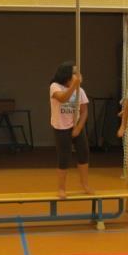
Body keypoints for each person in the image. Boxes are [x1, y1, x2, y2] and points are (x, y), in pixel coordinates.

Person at [49, 61, 93, 199]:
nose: (78, 75)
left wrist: (79, 127)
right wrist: (74, 86)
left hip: (76, 126)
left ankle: (85, 184)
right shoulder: (55, 86)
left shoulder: (81, 91)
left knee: (84, 153)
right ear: (66, 75)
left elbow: (84, 111)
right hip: (61, 127)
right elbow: (63, 99)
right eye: (75, 73)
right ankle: (61, 188)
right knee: (64, 156)